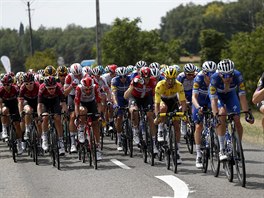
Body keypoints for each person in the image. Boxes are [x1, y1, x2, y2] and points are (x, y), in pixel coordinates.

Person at [209, 59, 254, 161]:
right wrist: (216, 115)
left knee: (237, 118)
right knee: (222, 114)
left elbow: (242, 95)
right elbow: (213, 100)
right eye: (224, 75)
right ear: (220, 74)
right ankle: (222, 149)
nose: (228, 78)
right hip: (218, 96)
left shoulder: (238, 76)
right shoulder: (214, 78)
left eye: (230, 74)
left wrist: (247, 112)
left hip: (230, 95)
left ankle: (238, 145)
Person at [154, 67, 187, 164]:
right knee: (163, 108)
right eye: (168, 79)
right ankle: (160, 129)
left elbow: (183, 101)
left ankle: (177, 151)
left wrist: (184, 114)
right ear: (165, 78)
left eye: (172, 79)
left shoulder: (179, 85)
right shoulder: (160, 85)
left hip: (173, 101)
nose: (170, 81)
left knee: (177, 125)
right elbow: (156, 103)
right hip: (162, 101)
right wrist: (157, 116)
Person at [124, 67, 157, 152]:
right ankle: (135, 130)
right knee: (134, 110)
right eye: (144, 78)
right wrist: (132, 86)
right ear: (140, 76)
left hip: (146, 98)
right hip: (135, 97)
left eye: (148, 78)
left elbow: (154, 95)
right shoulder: (136, 80)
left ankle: (154, 142)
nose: (146, 80)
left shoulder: (153, 81)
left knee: (150, 115)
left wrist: (155, 105)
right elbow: (126, 96)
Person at [192, 61, 217, 168]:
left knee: (217, 119)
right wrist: (198, 107)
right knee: (198, 126)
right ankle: (198, 154)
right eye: (208, 74)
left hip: (211, 100)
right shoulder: (198, 78)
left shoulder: (217, 77)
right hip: (200, 101)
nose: (210, 76)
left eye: (213, 73)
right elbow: (194, 97)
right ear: (204, 72)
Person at [74, 76, 103, 160]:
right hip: (82, 104)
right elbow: (76, 104)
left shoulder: (95, 87)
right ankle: (82, 128)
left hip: (92, 103)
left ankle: (97, 147)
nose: (88, 91)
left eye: (90, 89)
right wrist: (77, 116)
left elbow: (99, 103)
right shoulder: (79, 88)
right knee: (82, 111)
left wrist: (99, 114)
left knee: (95, 124)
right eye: (86, 89)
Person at [38, 76, 67, 156]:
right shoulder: (42, 88)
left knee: (57, 118)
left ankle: (61, 142)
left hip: (55, 101)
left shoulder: (59, 87)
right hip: (45, 102)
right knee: (45, 117)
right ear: (46, 87)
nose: (51, 90)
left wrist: (64, 113)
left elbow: (63, 103)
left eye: (53, 88)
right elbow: (39, 105)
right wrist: (40, 115)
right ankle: (44, 138)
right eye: (49, 89)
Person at [0, 74, 23, 154]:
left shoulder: (15, 88)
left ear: (11, 83)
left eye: (8, 84)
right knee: (4, 110)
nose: (6, 86)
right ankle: (4, 129)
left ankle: (19, 143)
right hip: (5, 104)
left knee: (17, 124)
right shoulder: (1, 90)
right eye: (4, 84)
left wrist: (20, 111)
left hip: (14, 105)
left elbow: (19, 100)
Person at [64, 63, 83, 153]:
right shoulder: (68, 77)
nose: (78, 76)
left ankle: (83, 132)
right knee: (72, 116)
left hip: (83, 96)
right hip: (72, 96)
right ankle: (72, 144)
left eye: (79, 74)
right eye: (76, 75)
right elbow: (65, 93)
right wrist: (71, 86)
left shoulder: (85, 75)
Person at [111, 67, 130, 151]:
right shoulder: (115, 81)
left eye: (125, 76)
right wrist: (116, 104)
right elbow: (114, 94)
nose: (123, 78)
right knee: (119, 118)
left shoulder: (130, 79)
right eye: (121, 77)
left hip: (128, 97)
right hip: (119, 98)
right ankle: (119, 139)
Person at [177, 63, 197, 136]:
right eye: (189, 74)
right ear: (185, 73)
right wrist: (182, 102)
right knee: (183, 106)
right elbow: (178, 91)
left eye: (192, 74)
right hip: (182, 92)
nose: (191, 76)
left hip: (192, 92)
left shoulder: (197, 76)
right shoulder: (180, 77)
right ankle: (183, 122)